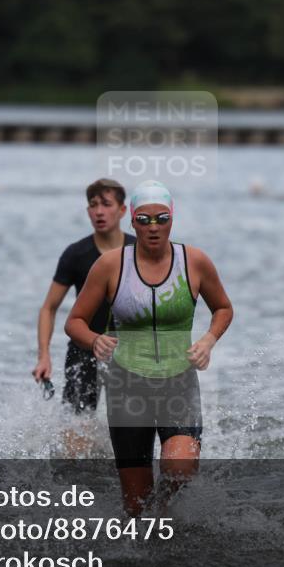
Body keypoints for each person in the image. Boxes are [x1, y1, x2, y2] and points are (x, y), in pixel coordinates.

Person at [65, 180, 233, 516]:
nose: (153, 227)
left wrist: (208, 340)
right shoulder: (111, 265)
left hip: (178, 382)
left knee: (180, 468)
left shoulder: (195, 261)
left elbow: (224, 309)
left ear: (172, 218)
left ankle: (166, 506)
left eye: (161, 219)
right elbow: (74, 321)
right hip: (127, 387)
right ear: (132, 222)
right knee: (135, 505)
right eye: (144, 220)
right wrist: (95, 339)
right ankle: (150, 539)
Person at [31, 179, 135, 428]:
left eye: (106, 204)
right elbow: (49, 307)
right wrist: (43, 355)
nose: (99, 211)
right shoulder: (76, 254)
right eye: (93, 205)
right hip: (84, 349)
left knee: (132, 425)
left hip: (131, 351)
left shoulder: (139, 250)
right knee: (77, 430)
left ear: (122, 210)